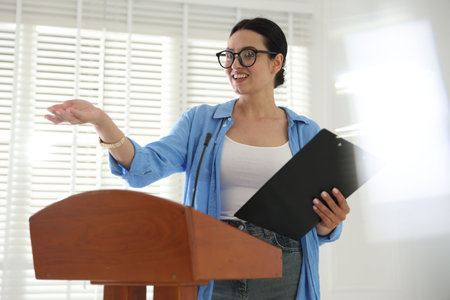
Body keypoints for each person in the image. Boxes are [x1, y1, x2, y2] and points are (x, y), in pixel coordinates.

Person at [46, 17, 350, 300]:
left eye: (247, 54)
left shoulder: (305, 132)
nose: (234, 64)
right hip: (210, 259)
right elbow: (142, 168)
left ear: (277, 62)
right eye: (229, 55)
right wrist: (101, 121)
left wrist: (327, 222)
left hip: (284, 264)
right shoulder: (201, 122)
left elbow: (317, 221)